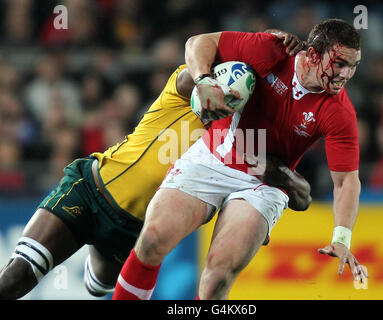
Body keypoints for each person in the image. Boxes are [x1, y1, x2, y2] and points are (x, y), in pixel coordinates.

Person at [0, 31, 307, 300]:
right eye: (222, 85)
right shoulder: (185, 89)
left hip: (134, 230)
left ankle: (97, 250)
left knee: (97, 287)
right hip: (92, 189)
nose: (225, 97)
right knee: (19, 276)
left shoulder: (242, 139)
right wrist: (225, 66)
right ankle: (85, 237)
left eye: (237, 95)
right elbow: (200, 51)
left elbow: (257, 186)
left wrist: (275, 198)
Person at [112, 18, 368, 301]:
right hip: (213, 156)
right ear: (312, 55)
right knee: (152, 239)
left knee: (217, 279)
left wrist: (342, 239)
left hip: (264, 185)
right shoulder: (271, 51)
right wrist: (204, 80)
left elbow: (346, 182)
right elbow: (198, 43)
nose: (346, 74)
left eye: (354, 65)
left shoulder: (340, 112)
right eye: (340, 63)